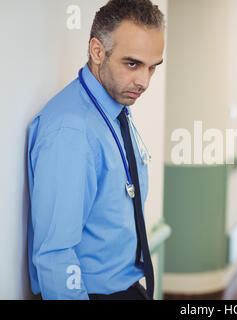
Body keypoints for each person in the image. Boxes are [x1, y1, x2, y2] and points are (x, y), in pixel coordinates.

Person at [27, 0, 165, 300]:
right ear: (97, 51)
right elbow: (55, 255)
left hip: (127, 285)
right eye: (132, 64)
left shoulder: (113, 108)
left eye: (152, 68)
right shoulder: (71, 131)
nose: (144, 81)